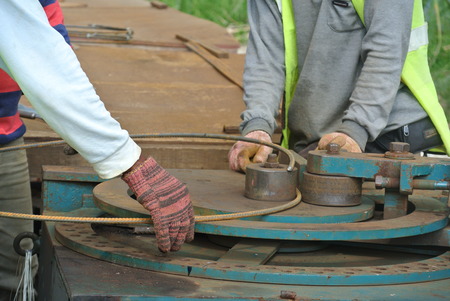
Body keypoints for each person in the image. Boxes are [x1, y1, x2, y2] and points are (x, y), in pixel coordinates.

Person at [0, 1, 194, 299]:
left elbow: (52, 44)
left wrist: (72, 121)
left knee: (17, 270)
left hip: (5, 133)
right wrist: (132, 164)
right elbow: (35, 53)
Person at [229, 0, 450, 172]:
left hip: (389, 130)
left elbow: (385, 51)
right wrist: (257, 128)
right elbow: (265, 54)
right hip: (319, 136)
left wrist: (355, 130)